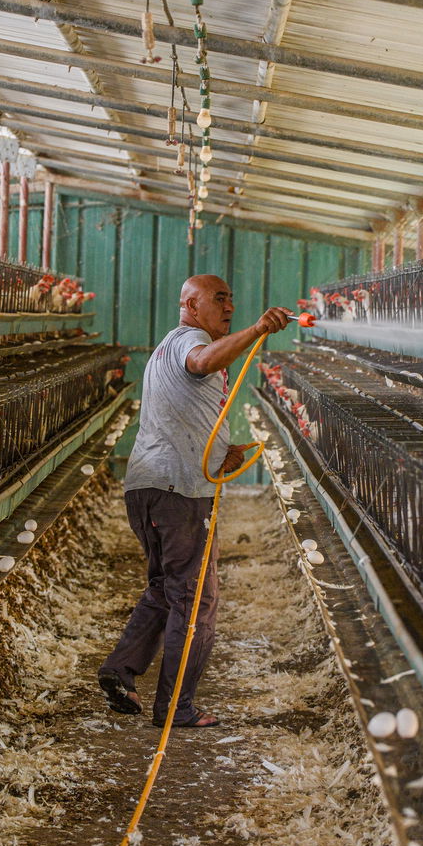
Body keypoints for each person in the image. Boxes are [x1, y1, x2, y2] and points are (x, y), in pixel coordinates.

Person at [98, 275, 293, 728]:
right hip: (179, 493)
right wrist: (258, 329)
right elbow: (202, 363)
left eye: (231, 299)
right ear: (190, 303)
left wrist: (219, 449)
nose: (229, 307)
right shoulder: (192, 341)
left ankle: (120, 670)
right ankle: (176, 708)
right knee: (196, 601)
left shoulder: (166, 346)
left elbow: (182, 404)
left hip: (146, 486)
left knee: (165, 589)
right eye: (219, 299)